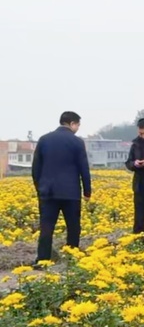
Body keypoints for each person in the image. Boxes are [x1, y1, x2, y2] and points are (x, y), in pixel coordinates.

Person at [31, 111, 92, 267]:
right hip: (70, 192)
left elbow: (36, 167)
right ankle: (71, 258)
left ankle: (43, 260)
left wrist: (40, 188)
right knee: (73, 226)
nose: (77, 128)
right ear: (72, 123)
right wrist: (87, 191)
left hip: (48, 192)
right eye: (77, 125)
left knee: (46, 227)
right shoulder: (77, 142)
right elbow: (83, 168)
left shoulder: (44, 140)